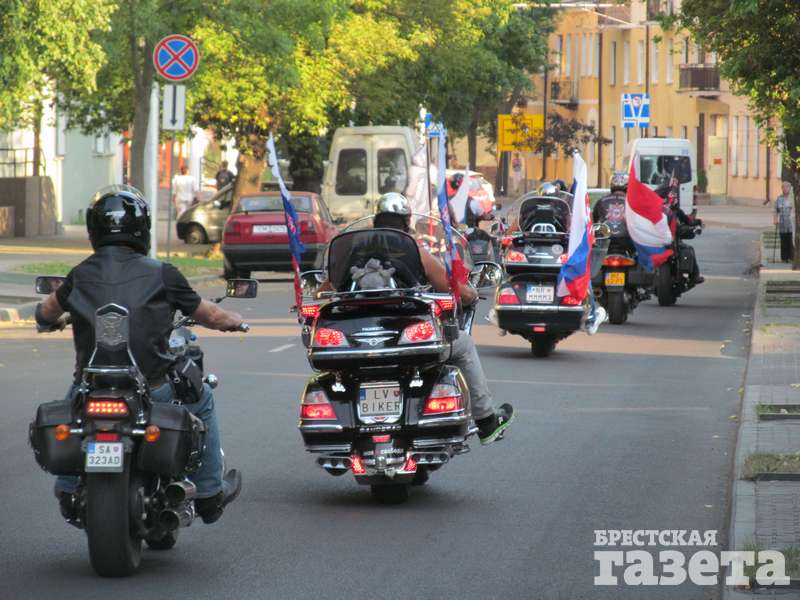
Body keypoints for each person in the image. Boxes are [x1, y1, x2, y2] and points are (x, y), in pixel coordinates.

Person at [35, 185, 245, 525]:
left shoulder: (79, 275)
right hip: (151, 387)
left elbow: (46, 311)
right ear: (141, 228)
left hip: (92, 387)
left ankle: (68, 486)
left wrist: (49, 320)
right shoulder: (163, 273)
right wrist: (233, 320)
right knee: (202, 397)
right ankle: (209, 493)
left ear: (93, 230)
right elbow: (210, 314)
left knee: (71, 411)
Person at [370, 192, 514, 444]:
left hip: (360, 344)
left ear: (376, 220)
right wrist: (470, 294)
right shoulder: (411, 249)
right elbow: (451, 287)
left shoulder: (356, 250)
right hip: (407, 341)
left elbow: (324, 289)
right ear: (406, 221)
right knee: (464, 344)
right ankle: (486, 422)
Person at [656, 181, 704, 285]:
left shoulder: (657, 209)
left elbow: (688, 221)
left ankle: (694, 276)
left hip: (663, 243)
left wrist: (696, 223)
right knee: (689, 249)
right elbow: (687, 222)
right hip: (664, 243)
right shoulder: (671, 211)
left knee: (687, 250)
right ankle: (694, 277)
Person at [775, 181, 794, 262]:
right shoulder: (779, 198)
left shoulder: (792, 198)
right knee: (783, 241)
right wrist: (775, 219)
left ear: (789, 188)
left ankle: (791, 257)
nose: (784, 189)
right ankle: (784, 258)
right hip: (782, 224)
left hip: (791, 224)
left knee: (790, 241)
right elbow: (776, 210)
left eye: (786, 187)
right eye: (783, 187)